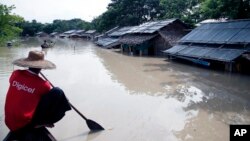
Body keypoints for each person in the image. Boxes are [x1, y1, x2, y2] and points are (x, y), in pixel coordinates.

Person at [4, 50, 71, 141]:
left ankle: (40, 122)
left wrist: (26, 87)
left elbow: (26, 89)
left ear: (28, 63)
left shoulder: (15, 74)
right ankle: (44, 122)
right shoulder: (44, 85)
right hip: (25, 124)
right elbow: (48, 102)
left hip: (9, 121)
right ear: (41, 67)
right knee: (58, 92)